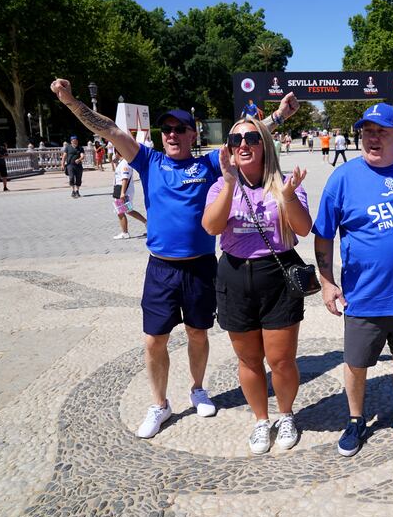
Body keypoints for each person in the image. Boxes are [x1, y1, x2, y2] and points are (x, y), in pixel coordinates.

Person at [50, 78, 300, 439]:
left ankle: (198, 388)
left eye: (180, 129)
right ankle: (160, 404)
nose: (171, 134)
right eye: (166, 129)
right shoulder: (147, 160)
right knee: (154, 339)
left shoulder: (210, 165)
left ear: (192, 135)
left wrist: (278, 115)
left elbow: (245, 140)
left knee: (198, 333)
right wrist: (71, 102)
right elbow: (111, 130)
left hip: (201, 266)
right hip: (161, 267)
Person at [313, 103, 393, 457]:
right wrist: (326, 281)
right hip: (362, 297)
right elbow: (323, 234)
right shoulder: (343, 178)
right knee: (355, 363)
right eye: (367, 130)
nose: (373, 137)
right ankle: (355, 420)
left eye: (382, 131)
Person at [202, 118, 312, 454]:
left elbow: (304, 228)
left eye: (251, 137)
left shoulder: (283, 183)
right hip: (234, 274)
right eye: (236, 140)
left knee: (280, 360)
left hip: (277, 274)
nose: (244, 144)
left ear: (264, 143)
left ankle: (287, 414)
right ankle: (261, 420)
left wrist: (289, 197)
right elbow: (211, 226)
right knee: (249, 360)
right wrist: (229, 183)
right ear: (231, 150)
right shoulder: (222, 185)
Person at [112, 154, 147, 239]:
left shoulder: (125, 163)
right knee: (128, 210)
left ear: (118, 153)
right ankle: (147, 223)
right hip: (120, 190)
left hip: (123, 190)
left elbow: (125, 178)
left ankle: (125, 232)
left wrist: (122, 193)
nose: (113, 156)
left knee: (120, 211)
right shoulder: (122, 163)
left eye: (114, 153)